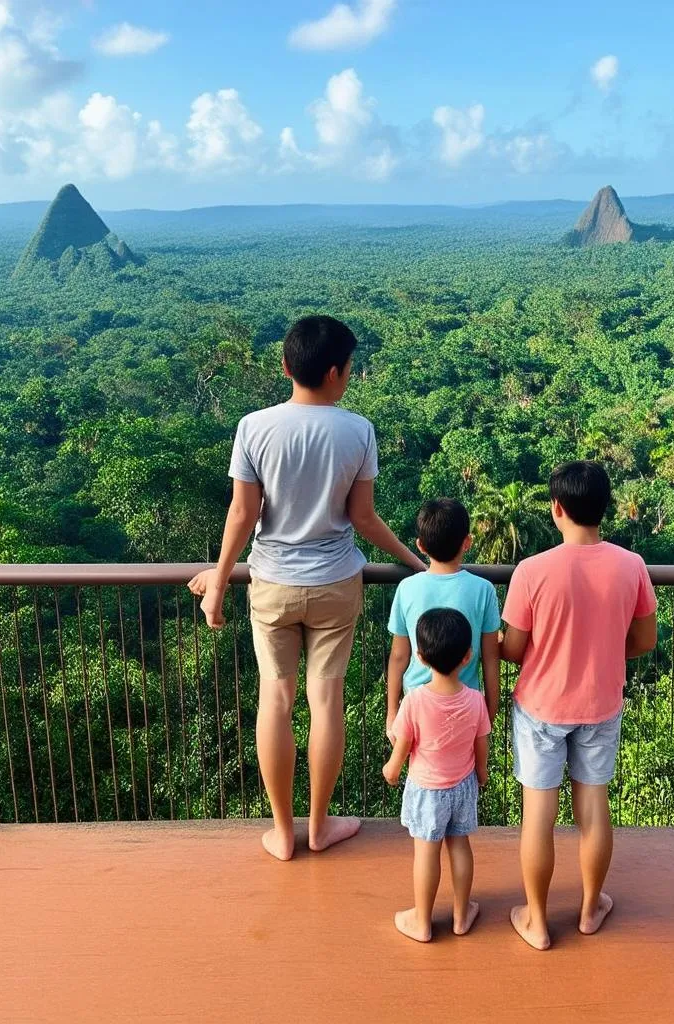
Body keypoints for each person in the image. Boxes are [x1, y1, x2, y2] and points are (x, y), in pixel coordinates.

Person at [188, 315, 425, 862]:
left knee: (275, 697)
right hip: (335, 584)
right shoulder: (357, 430)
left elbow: (243, 514)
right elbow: (363, 518)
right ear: (338, 372)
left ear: (285, 366)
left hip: (270, 584)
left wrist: (219, 584)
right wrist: (414, 562)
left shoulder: (253, 427)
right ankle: (319, 827)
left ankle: (281, 831)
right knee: (325, 701)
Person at [500, 461, 657, 951]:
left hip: (541, 707)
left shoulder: (532, 571)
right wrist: (605, 647)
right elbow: (644, 640)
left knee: (538, 815)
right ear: (605, 509)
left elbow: (513, 648)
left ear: (557, 509)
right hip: (601, 703)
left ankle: (538, 921)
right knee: (593, 808)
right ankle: (590, 909)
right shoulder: (631, 566)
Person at [383, 608, 491, 943]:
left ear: (420, 656)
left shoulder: (415, 701)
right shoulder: (476, 700)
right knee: (460, 847)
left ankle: (423, 922)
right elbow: (481, 744)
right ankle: (461, 916)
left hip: (427, 790)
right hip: (462, 786)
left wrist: (392, 768)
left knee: (426, 853)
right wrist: (482, 773)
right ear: (468, 656)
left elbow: (403, 746)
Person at [386, 498, 500, 739]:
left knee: (423, 769)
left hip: (417, 703)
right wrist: (490, 710)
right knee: (463, 769)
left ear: (420, 546)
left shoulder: (407, 588)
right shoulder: (484, 589)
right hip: (466, 702)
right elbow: (491, 657)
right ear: (467, 542)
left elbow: (398, 656)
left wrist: (392, 711)